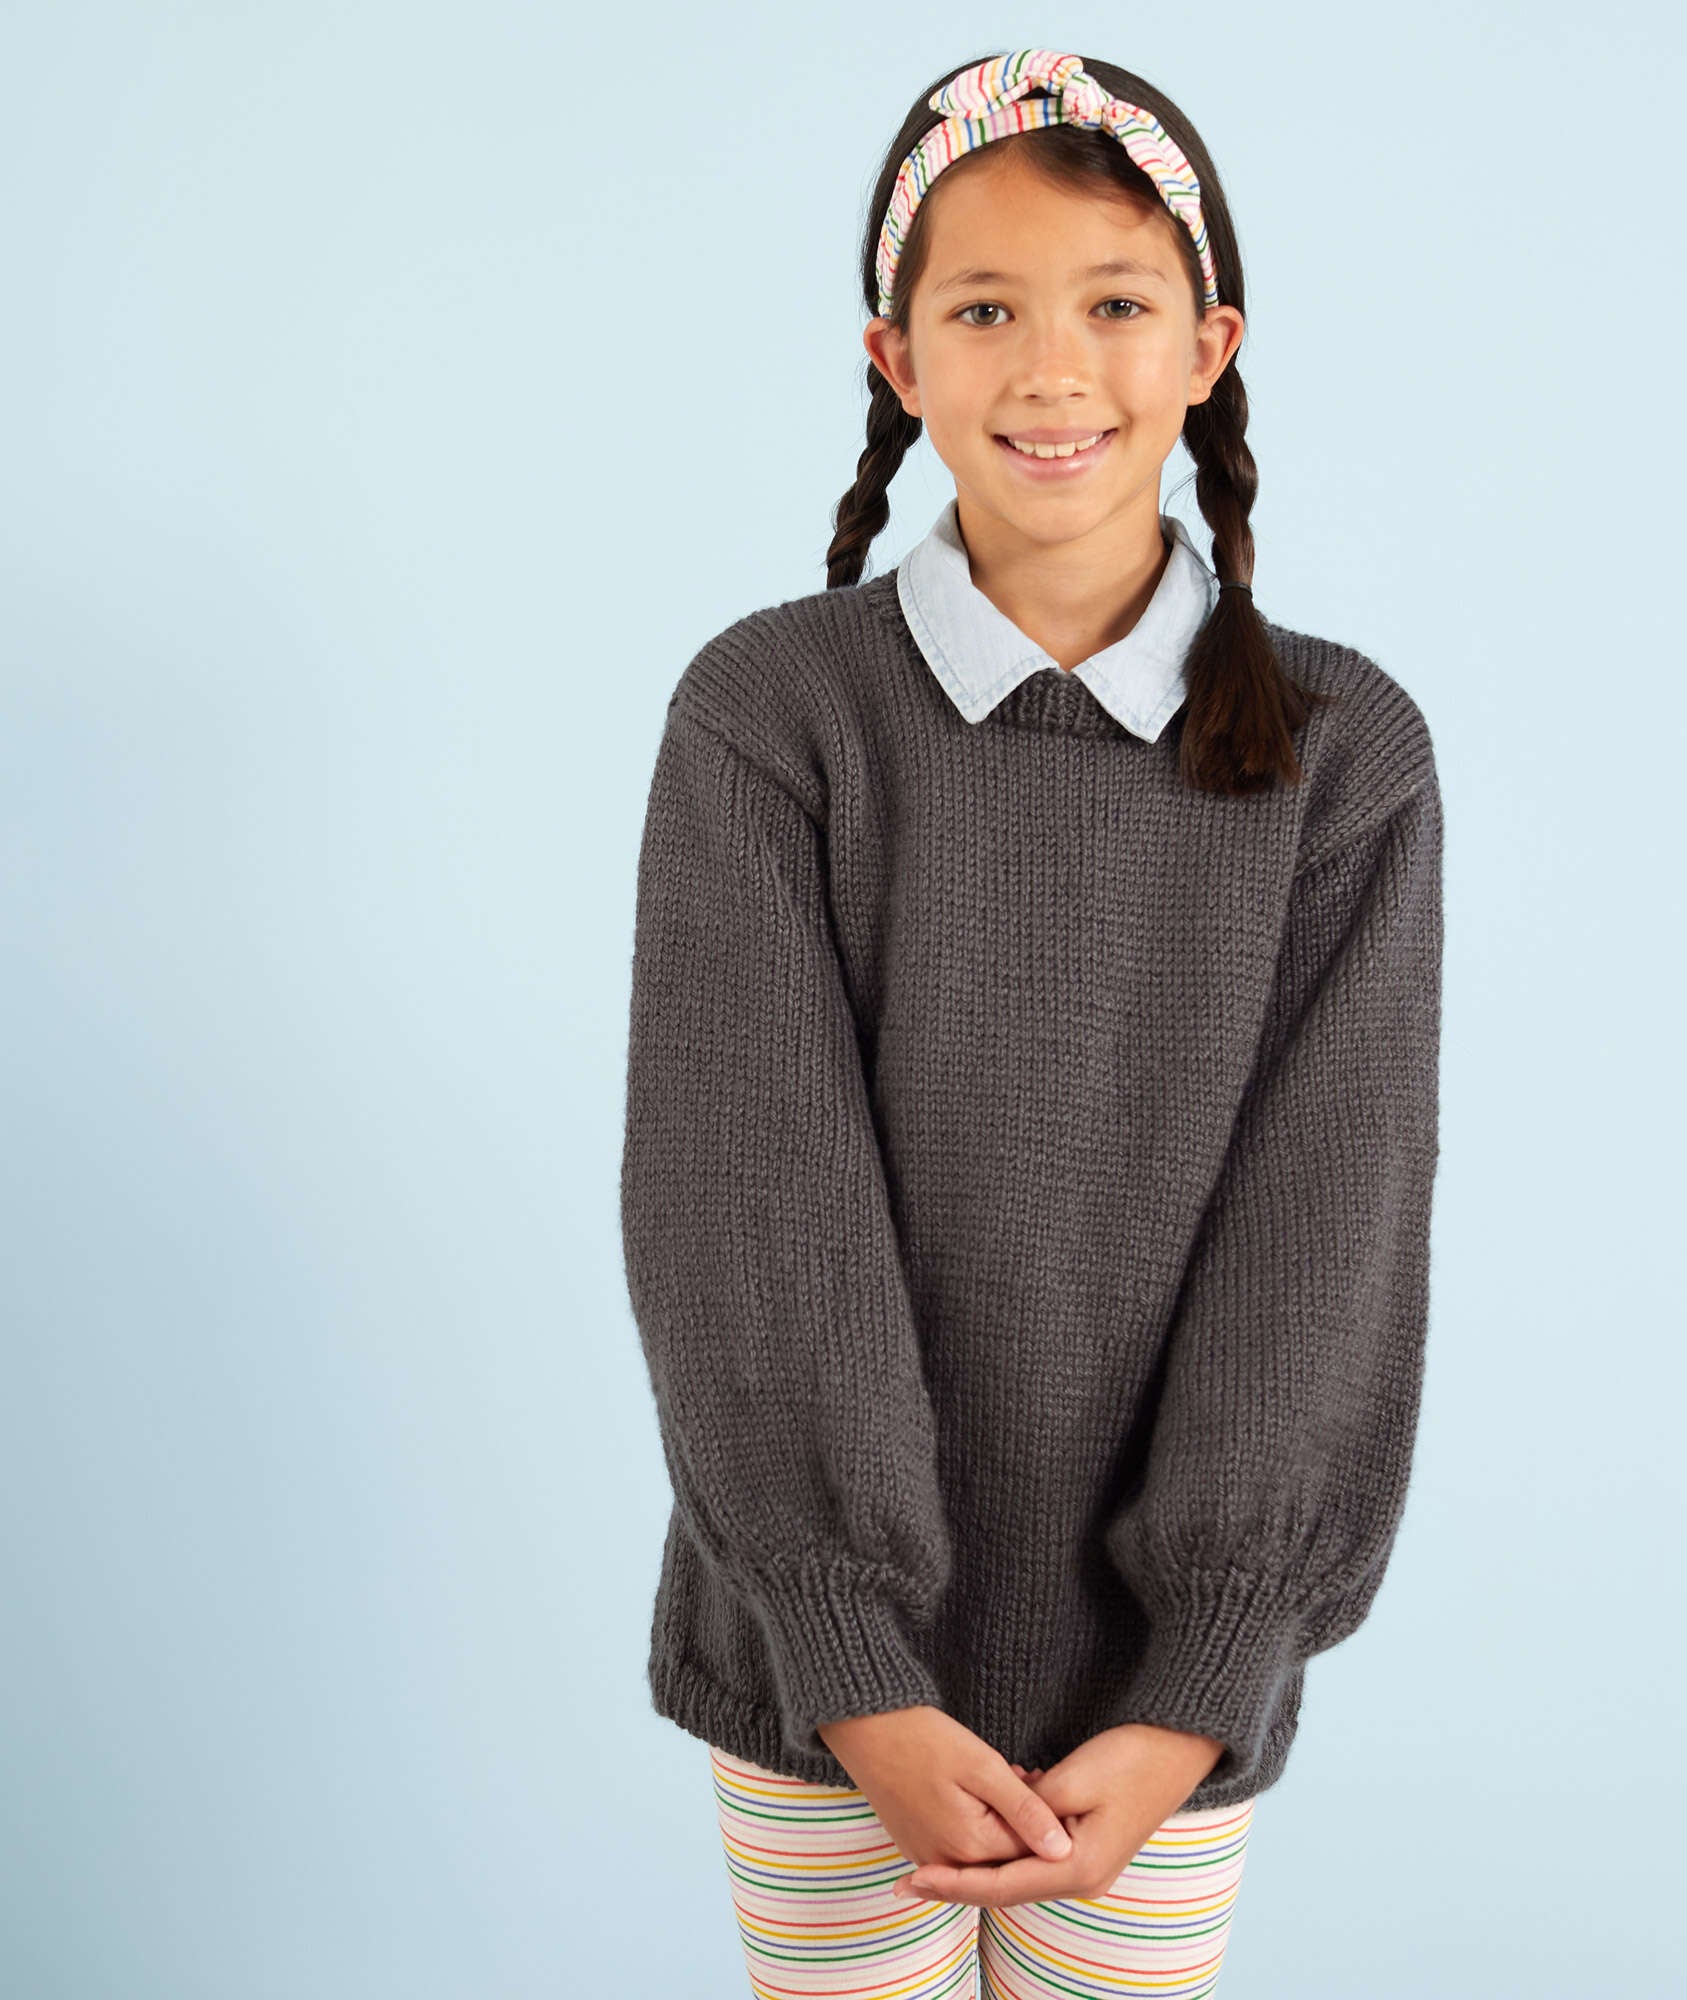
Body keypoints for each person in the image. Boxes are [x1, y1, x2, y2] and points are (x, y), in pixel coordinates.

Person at [620, 46, 1445, 1996]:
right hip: (827, 1699)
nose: (1052, 368)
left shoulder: (1343, 754)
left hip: (1158, 1712)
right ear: (897, 359)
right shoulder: (772, 714)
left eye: (1116, 304)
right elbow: (744, 1203)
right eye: (983, 309)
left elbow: (1325, 1237)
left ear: (1207, 348)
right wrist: (853, 1664)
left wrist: (1201, 1676)